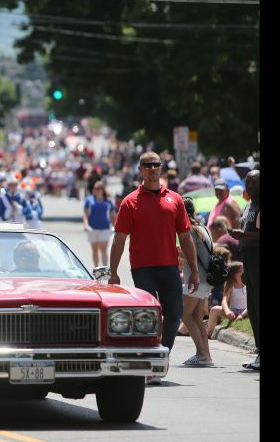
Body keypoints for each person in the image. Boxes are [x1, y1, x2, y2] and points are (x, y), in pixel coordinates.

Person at [109, 152, 200, 386]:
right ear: (140, 169)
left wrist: (194, 268)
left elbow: (185, 237)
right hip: (142, 268)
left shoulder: (175, 200)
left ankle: (161, 357)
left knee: (174, 314)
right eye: (147, 165)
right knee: (148, 317)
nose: (152, 169)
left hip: (170, 266)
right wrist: (113, 271)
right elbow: (120, 239)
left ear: (161, 168)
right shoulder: (130, 201)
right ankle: (147, 362)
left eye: (156, 165)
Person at [178, 197, 214, 366]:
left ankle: (201, 354)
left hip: (196, 278)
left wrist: (174, 252)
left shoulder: (190, 229)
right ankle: (205, 355)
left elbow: (189, 254)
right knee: (197, 317)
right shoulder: (202, 227)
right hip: (206, 278)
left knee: (185, 315)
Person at [231, 170, 259, 370]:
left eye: (254, 182)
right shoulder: (249, 204)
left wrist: (245, 236)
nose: (249, 186)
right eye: (247, 182)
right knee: (254, 306)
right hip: (248, 260)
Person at [206, 262, 247, 339]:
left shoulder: (248, 285)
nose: (243, 272)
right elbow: (224, 300)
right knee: (214, 309)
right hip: (233, 312)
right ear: (235, 274)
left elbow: (251, 305)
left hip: (246, 312)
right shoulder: (230, 285)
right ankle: (208, 333)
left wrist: (242, 315)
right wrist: (228, 311)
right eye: (241, 271)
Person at [83, 181, 116, 268]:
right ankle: (96, 270)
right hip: (92, 228)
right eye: (95, 189)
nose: (96, 190)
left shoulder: (108, 201)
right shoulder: (89, 200)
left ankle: (105, 270)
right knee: (95, 250)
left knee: (104, 249)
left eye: (98, 189)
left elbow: (113, 215)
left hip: (105, 228)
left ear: (102, 190)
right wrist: (85, 225)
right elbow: (85, 214)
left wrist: (114, 226)